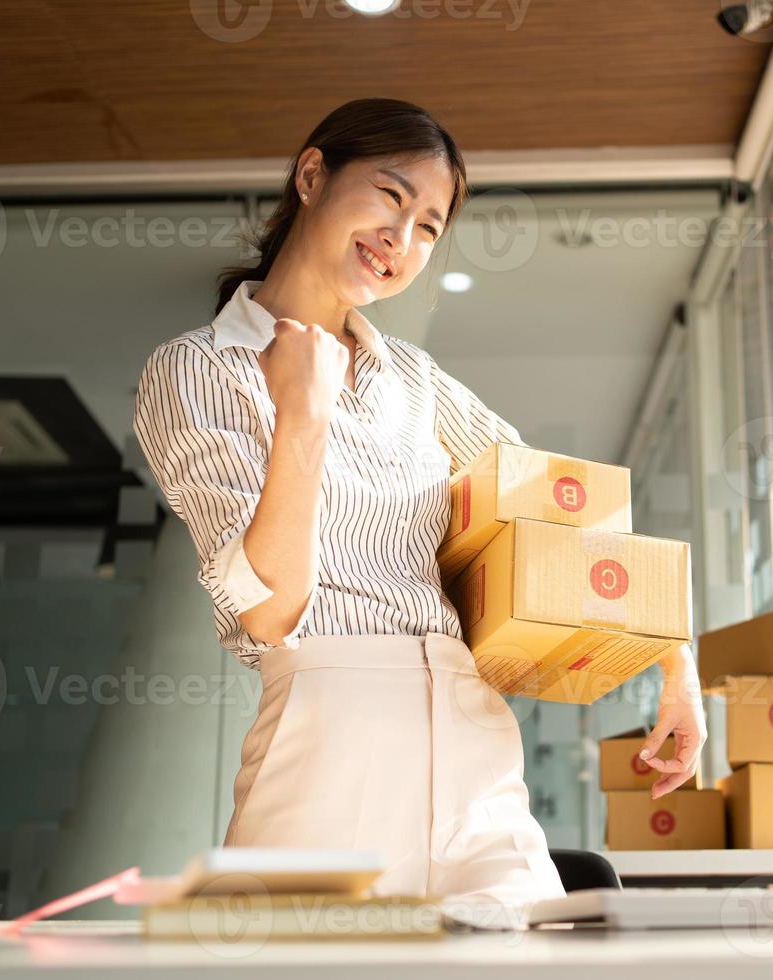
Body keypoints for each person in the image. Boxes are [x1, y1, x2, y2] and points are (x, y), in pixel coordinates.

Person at [132, 98, 706, 917]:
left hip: (474, 740)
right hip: (332, 741)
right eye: (391, 197)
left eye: (431, 225)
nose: (403, 240)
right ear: (311, 175)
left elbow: (569, 514)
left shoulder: (413, 379)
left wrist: (676, 667)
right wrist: (304, 411)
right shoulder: (197, 370)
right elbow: (266, 608)